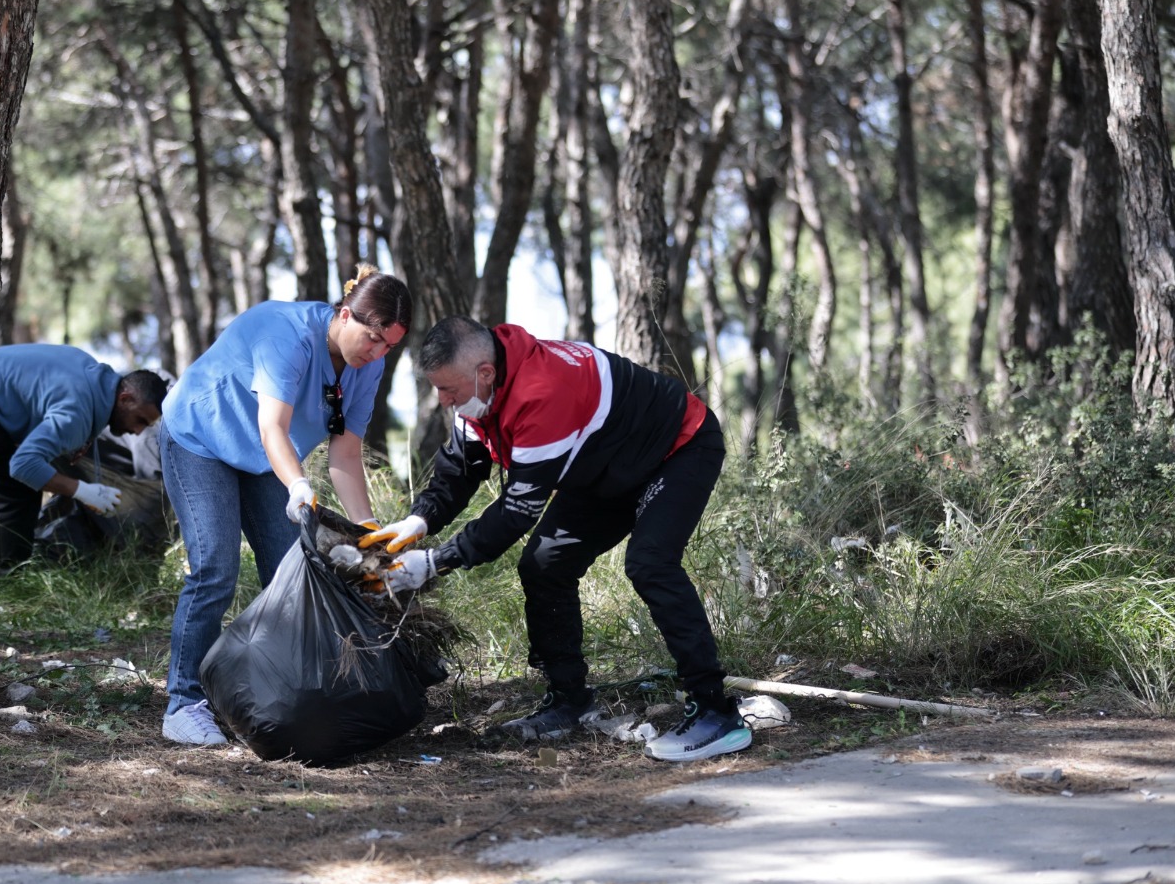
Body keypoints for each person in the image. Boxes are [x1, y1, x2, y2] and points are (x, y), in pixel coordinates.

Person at [361, 316, 749, 763]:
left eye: (449, 391)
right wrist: (417, 521)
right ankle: (570, 702)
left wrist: (433, 564)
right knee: (544, 565)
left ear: (485, 373)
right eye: (438, 390)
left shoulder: (542, 393)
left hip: (677, 448)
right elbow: (459, 470)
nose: (443, 401)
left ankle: (717, 714)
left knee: (650, 562)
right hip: (606, 467)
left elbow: (516, 511)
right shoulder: (479, 394)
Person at [158, 265, 412, 745]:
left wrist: (369, 535)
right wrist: (297, 485)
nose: (377, 353)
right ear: (344, 315)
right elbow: (273, 427)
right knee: (215, 566)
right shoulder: (289, 335)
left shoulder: (368, 366)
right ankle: (183, 702)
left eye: (389, 346)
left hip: (261, 459)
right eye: (373, 338)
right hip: (201, 437)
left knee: (290, 572)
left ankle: (256, 687)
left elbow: (346, 452)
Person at [0, 344, 166, 583]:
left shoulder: (92, 377)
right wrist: (82, 491)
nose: (137, 432)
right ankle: (11, 589)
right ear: (125, 398)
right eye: (140, 420)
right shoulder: (77, 412)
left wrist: (86, 439)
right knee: (19, 495)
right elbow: (22, 466)